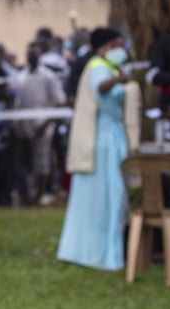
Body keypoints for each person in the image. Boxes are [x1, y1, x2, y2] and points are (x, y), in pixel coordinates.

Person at [57, 27, 139, 271]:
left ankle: (99, 250)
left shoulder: (105, 67)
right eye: (116, 44)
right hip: (104, 140)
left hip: (111, 134)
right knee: (108, 194)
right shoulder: (98, 67)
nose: (121, 49)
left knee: (110, 195)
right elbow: (102, 88)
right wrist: (120, 81)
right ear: (105, 46)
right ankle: (101, 253)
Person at [11, 40, 66, 206]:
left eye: (35, 53)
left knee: (42, 163)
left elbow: (58, 101)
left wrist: (46, 123)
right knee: (25, 164)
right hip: (23, 128)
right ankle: (26, 194)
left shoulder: (48, 76)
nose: (32, 56)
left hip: (42, 127)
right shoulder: (21, 76)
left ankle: (39, 195)